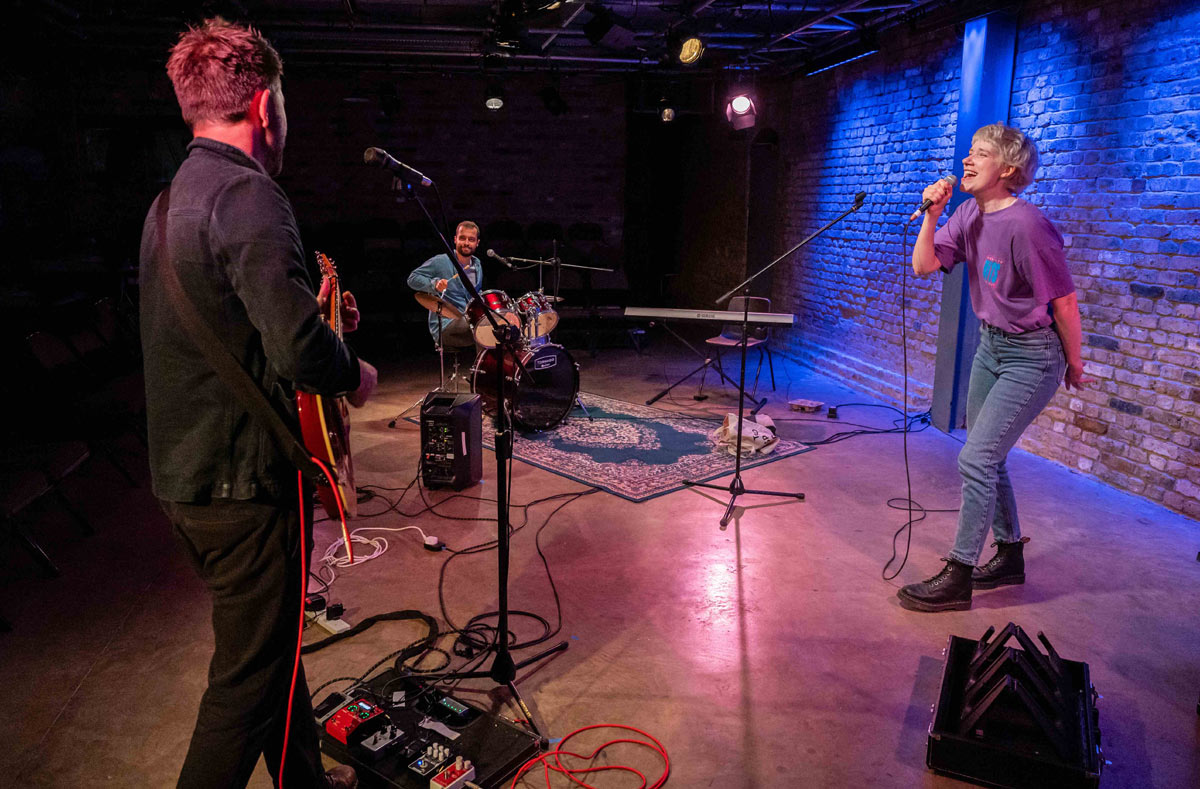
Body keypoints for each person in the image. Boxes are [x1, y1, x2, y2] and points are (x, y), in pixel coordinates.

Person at [139, 18, 376, 787]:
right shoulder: (249, 195)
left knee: (271, 653)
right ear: (265, 107)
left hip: (187, 479)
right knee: (243, 685)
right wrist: (355, 371)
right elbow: (301, 353)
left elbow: (231, 329)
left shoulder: (167, 201)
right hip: (246, 486)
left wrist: (315, 318)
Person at [899, 122, 1089, 613]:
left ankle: (959, 573)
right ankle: (1008, 556)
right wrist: (932, 216)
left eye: (979, 153)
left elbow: (1065, 303)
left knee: (976, 460)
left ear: (1007, 170)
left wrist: (1074, 363)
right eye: (969, 151)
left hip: (1032, 356)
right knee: (988, 455)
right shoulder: (967, 213)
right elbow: (923, 266)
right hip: (991, 348)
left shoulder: (1029, 226)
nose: (967, 159)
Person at [407, 221, 482, 348]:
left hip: (467, 322)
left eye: (471, 239)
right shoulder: (441, 261)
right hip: (446, 325)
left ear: (477, 243)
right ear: (455, 239)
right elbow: (412, 279)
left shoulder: (477, 265)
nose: (466, 243)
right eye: (462, 238)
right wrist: (434, 284)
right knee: (482, 326)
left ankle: (487, 367)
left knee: (496, 330)